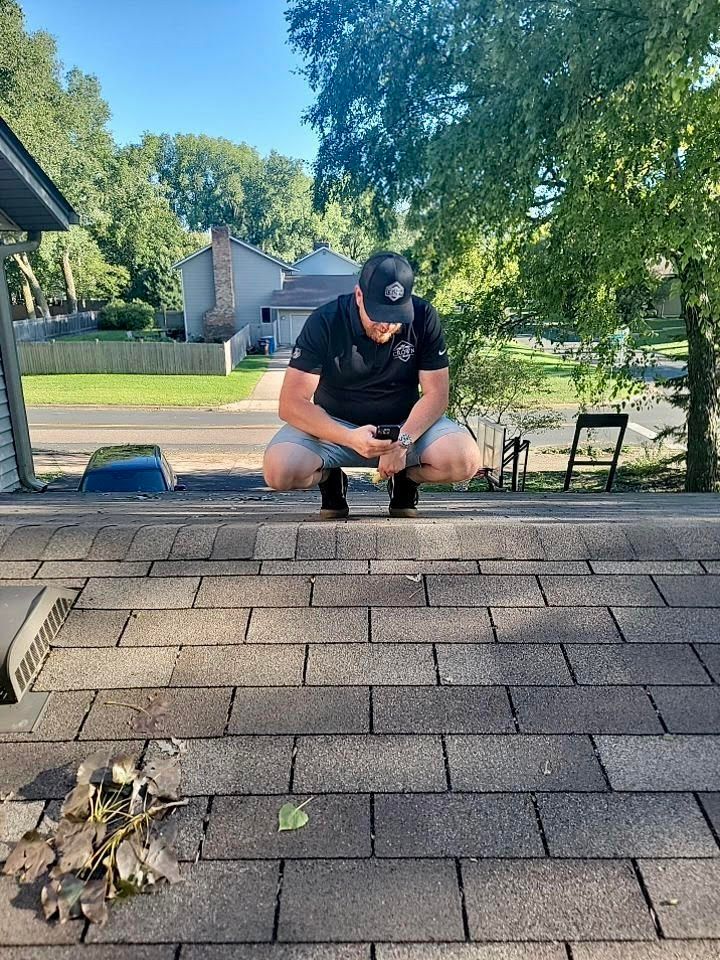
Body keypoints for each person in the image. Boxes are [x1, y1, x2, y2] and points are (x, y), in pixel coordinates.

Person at [263, 251, 481, 518]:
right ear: (359, 296)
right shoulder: (325, 321)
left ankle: (405, 480)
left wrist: (402, 442)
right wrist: (348, 437)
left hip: (405, 427)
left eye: (395, 315)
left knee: (465, 460)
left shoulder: (424, 317)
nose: (386, 325)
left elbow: (437, 395)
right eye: (378, 314)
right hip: (334, 429)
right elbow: (291, 404)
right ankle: (329, 478)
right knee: (279, 472)